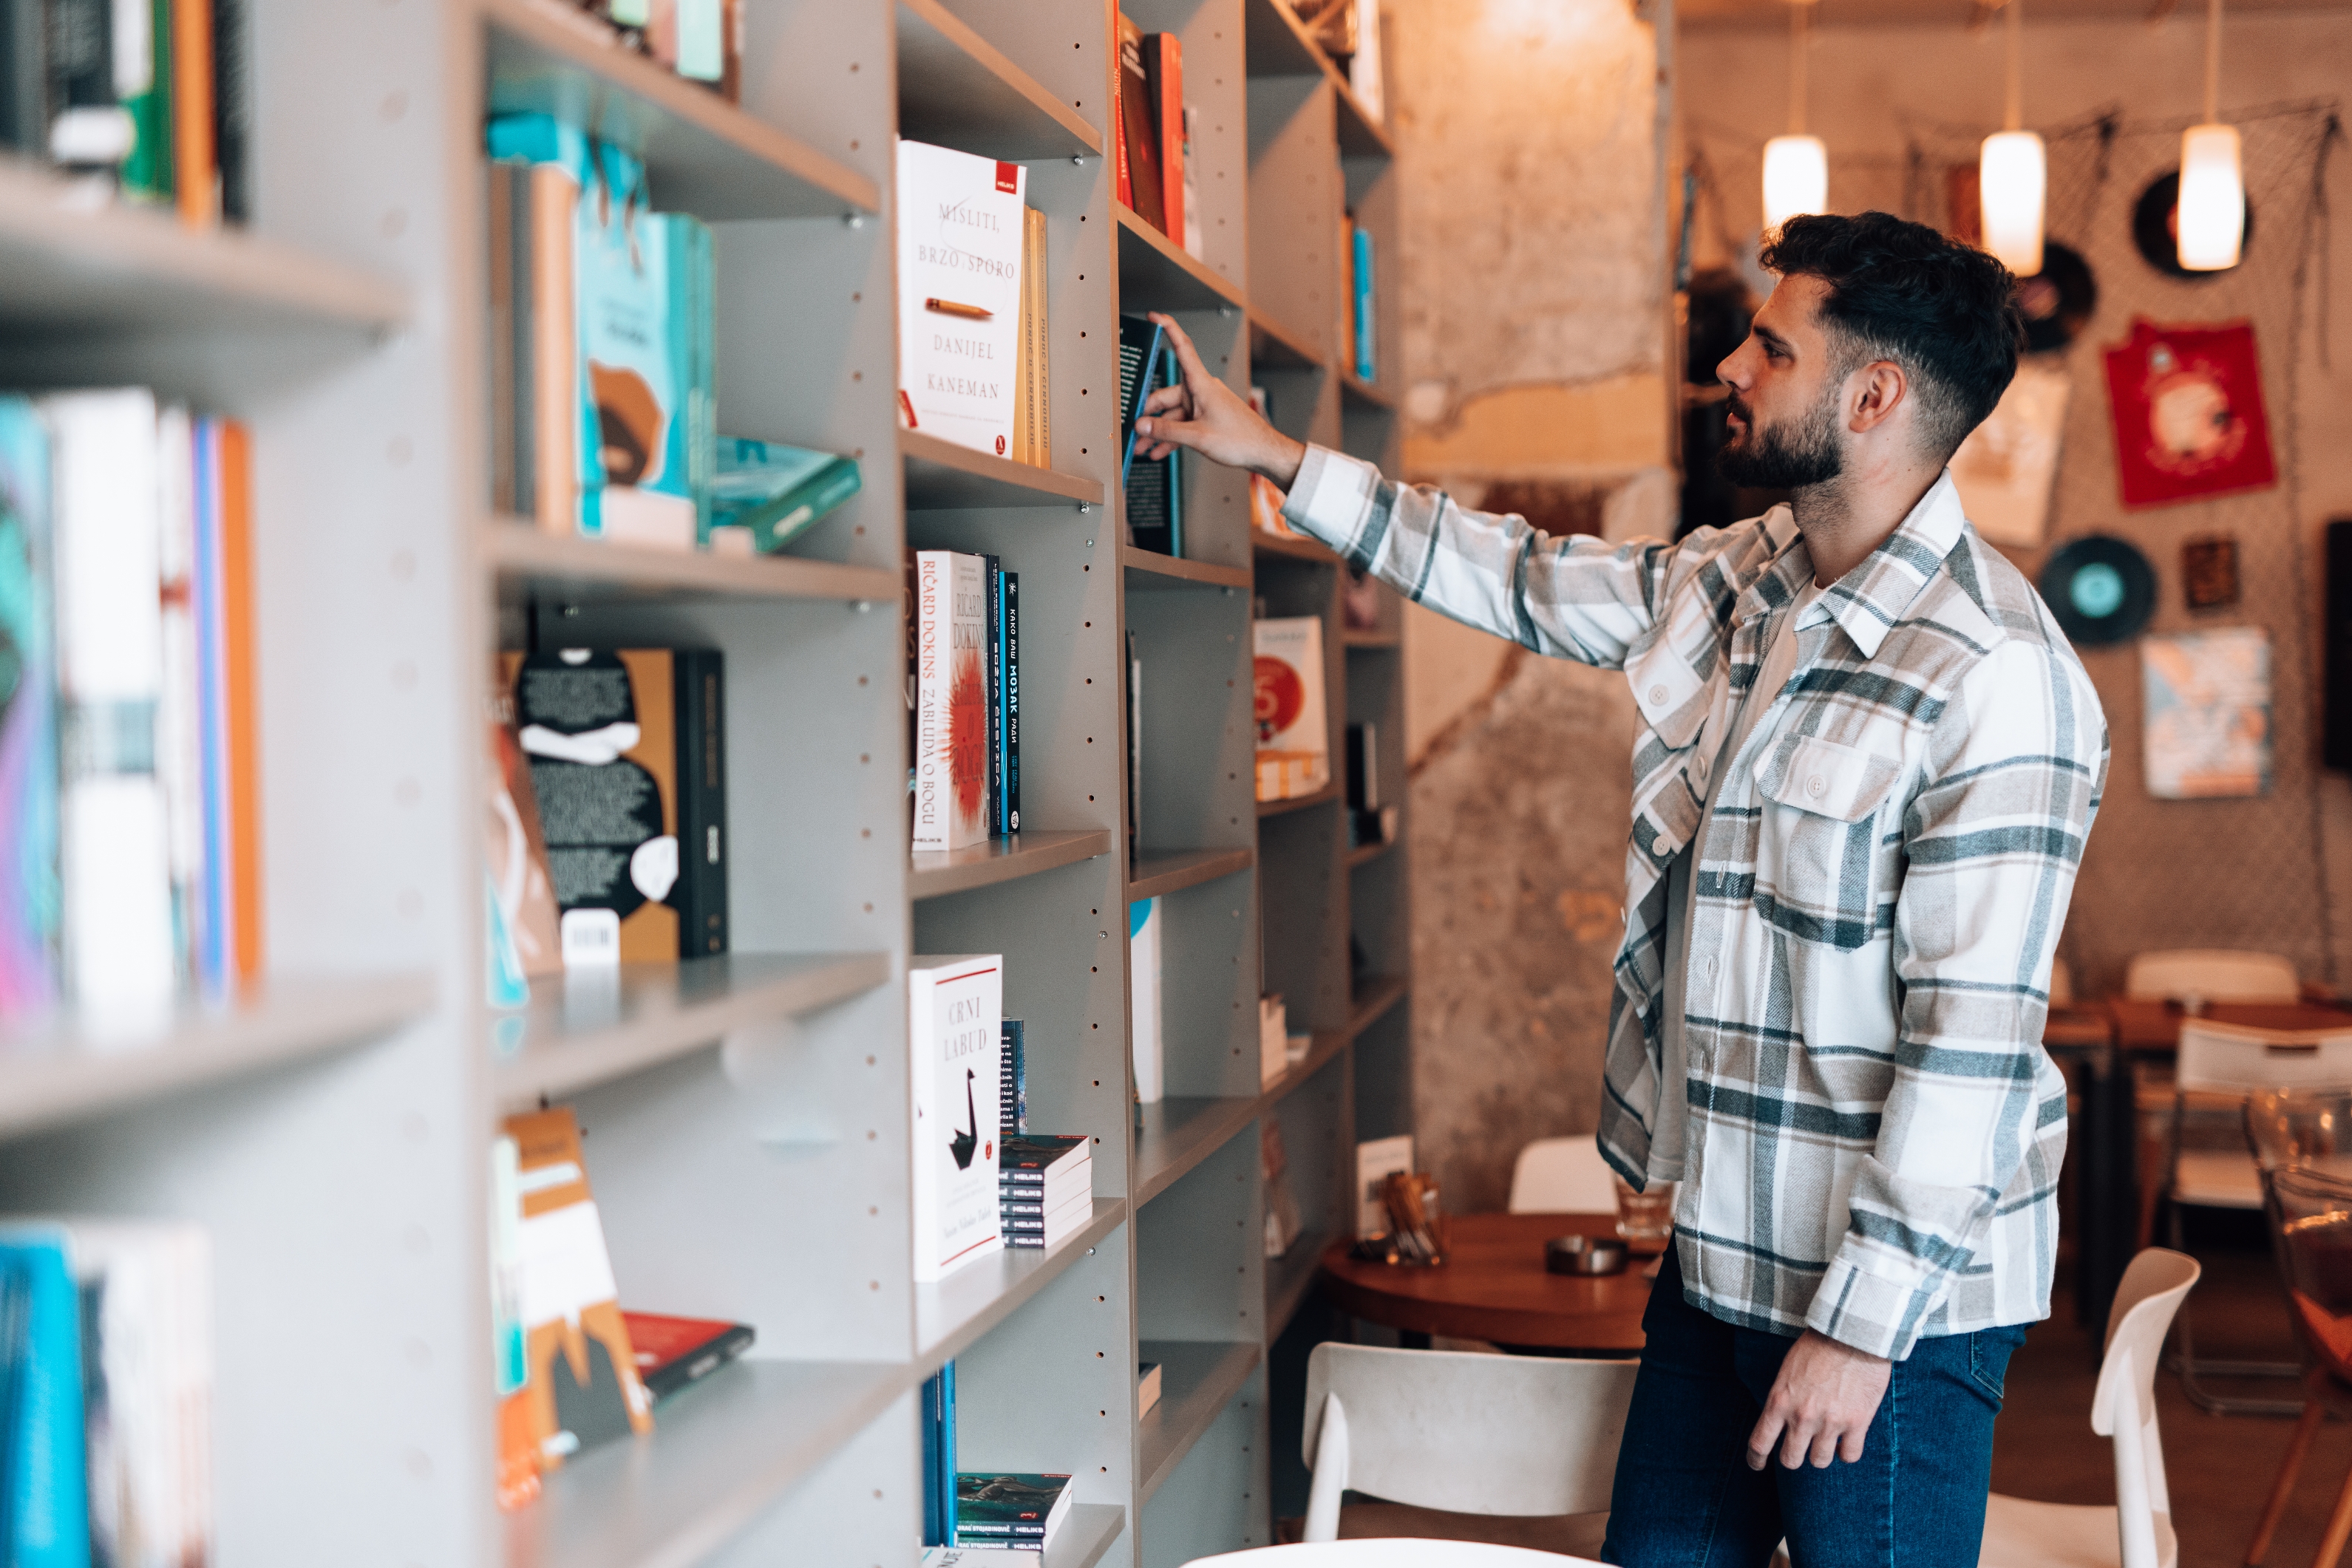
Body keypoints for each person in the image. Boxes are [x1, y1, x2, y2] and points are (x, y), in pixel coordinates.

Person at [1132, 210, 2107, 1568]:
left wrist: (1854, 1327)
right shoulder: (1747, 580)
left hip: (1893, 1315)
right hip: (1716, 1266)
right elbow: (1523, 579)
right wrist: (1279, 458)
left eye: (1771, 344)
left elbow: (1971, 1048)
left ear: (1873, 395)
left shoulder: (1996, 674)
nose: (1728, 364)